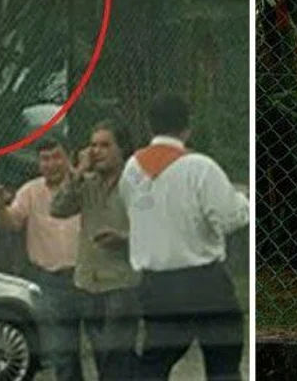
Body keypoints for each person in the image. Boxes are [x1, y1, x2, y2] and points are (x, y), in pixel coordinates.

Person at [119, 93, 249, 381]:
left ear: (149, 125)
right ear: (187, 126)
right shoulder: (200, 167)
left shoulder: (131, 170)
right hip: (205, 283)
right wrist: (243, 201)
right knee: (223, 363)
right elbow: (229, 219)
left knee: (155, 363)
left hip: (157, 285)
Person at [49, 120, 141, 381]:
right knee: (100, 355)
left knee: (117, 360)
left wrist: (123, 239)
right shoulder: (86, 183)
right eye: (93, 145)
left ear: (121, 149)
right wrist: (76, 173)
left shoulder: (137, 184)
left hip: (121, 284)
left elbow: (156, 231)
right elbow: (57, 209)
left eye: (105, 145)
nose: (97, 151)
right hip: (88, 283)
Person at [0, 136, 84, 381]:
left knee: (104, 349)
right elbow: (10, 223)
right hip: (52, 282)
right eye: (45, 159)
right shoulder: (31, 191)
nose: (51, 164)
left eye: (56, 157)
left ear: (69, 157)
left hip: (89, 278)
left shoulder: (86, 184)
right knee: (64, 353)